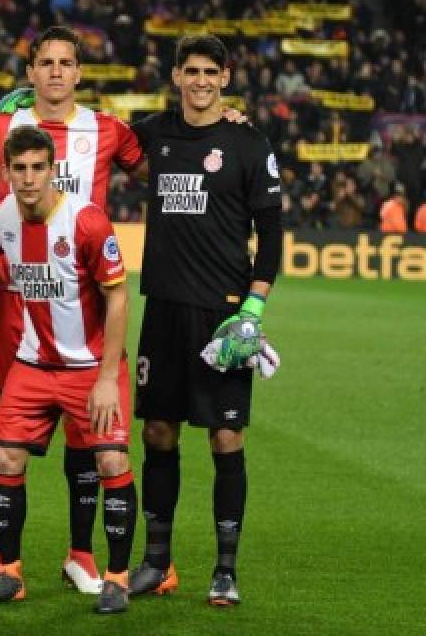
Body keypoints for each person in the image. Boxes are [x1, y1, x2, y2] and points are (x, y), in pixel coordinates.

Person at [0, 125, 137, 614]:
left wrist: (107, 378)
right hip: (32, 363)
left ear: (53, 170)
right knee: (4, 461)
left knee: (111, 463)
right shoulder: (2, 214)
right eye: (18, 169)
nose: (28, 178)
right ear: (6, 174)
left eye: (37, 168)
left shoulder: (87, 222)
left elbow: (118, 296)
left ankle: (117, 578)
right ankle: (10, 573)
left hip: (90, 368)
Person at [0, 26, 143, 594]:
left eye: (66, 63)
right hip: (19, 308)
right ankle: (2, 563)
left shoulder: (109, 130)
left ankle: (83, 556)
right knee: (6, 450)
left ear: (79, 72)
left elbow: (159, 166)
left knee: (91, 449)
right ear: (30, 72)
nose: (55, 73)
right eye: (45, 63)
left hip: (84, 308)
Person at [128, 34, 282, 606]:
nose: (198, 81)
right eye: (189, 71)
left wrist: (255, 304)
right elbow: (92, 140)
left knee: (224, 437)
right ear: (175, 76)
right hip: (163, 307)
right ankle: (156, 563)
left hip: (222, 314)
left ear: (225, 76)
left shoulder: (249, 143)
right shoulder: (154, 133)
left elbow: (271, 231)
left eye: (208, 72)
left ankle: (224, 569)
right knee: (158, 432)